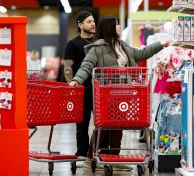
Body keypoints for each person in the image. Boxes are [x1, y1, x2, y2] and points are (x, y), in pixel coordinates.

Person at [69, 16, 171, 168]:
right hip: (106, 94)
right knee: (104, 126)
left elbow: (140, 54)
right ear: (109, 27)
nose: (119, 27)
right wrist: (77, 80)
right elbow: (87, 65)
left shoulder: (122, 45)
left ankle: (113, 159)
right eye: (116, 24)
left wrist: (161, 45)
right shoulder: (97, 48)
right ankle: (91, 156)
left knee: (119, 126)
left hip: (124, 93)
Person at [63, 11, 96, 162]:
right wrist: (71, 85)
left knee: (103, 123)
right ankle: (82, 154)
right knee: (82, 125)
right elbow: (68, 67)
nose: (93, 24)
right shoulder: (73, 44)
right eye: (89, 21)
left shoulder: (99, 42)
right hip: (81, 89)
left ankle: (97, 152)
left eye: (93, 21)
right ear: (80, 24)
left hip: (99, 90)